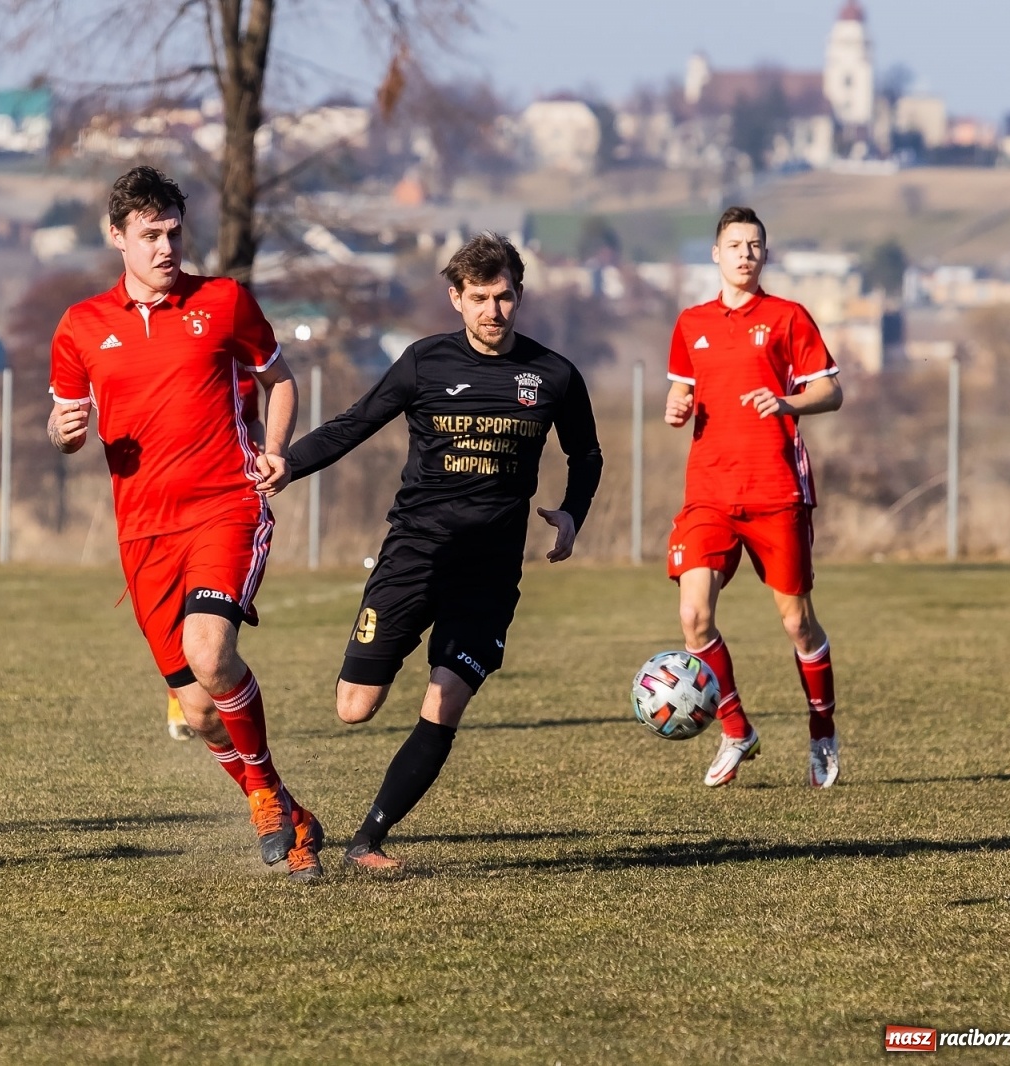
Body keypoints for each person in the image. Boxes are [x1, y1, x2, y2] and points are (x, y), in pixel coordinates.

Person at [281, 233, 603, 874]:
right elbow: (355, 422)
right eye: (480, 297)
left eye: (505, 296)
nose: (494, 311)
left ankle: (367, 843)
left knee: (445, 698)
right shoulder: (424, 363)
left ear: (520, 295)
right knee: (353, 708)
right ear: (455, 298)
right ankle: (295, 813)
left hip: (489, 574)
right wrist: (285, 465)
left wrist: (572, 514)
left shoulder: (554, 375)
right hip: (414, 557)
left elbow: (585, 454)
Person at [47, 165, 323, 881]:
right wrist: (64, 429)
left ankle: (263, 796)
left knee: (209, 649)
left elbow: (280, 380)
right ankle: (291, 813)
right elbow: (66, 423)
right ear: (117, 237)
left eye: (173, 232)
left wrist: (276, 453)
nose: (166, 248)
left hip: (224, 508)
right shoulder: (82, 326)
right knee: (199, 711)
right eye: (149, 235)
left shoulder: (224, 302)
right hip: (143, 535)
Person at [664, 206, 843, 789]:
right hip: (709, 493)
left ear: (765, 255)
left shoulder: (788, 317)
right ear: (715, 253)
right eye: (735, 244)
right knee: (694, 617)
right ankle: (735, 727)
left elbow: (830, 390)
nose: (745, 253)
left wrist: (790, 403)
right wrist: (676, 408)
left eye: (755, 245)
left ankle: (822, 731)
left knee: (798, 626)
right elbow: (681, 395)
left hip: (775, 491)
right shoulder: (690, 322)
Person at [164, 370, 264, 742]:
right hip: (159, 519)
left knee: (210, 631)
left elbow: (251, 419)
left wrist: (263, 459)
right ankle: (178, 699)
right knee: (174, 622)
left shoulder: (237, 368)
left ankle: (263, 785)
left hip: (223, 514)